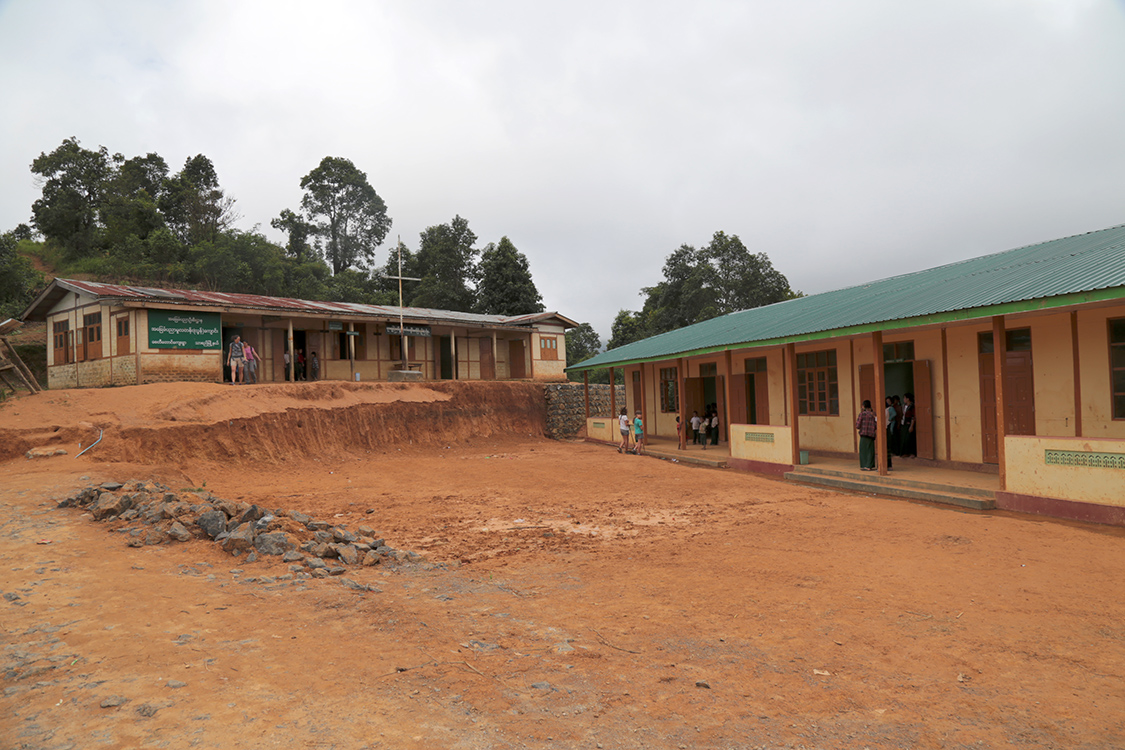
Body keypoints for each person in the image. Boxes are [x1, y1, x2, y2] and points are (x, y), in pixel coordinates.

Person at [855, 399, 877, 470]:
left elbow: (857, 425)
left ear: (864, 406)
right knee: (870, 451)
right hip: (871, 435)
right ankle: (869, 466)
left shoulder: (862, 414)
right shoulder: (874, 414)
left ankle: (864, 465)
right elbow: (876, 425)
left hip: (864, 434)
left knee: (863, 451)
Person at [901, 393, 917, 458]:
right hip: (904, 423)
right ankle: (905, 452)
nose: (904, 399)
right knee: (904, 439)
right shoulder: (904, 406)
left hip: (909, 423)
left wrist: (911, 425)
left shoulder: (912, 406)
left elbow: (913, 416)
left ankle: (912, 452)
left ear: (908, 399)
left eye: (904, 398)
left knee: (910, 438)